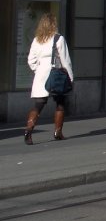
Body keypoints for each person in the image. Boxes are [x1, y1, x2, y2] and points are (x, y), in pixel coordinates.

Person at [24, 12, 73, 144]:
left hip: (40, 75)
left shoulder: (36, 40)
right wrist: (70, 77)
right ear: (54, 24)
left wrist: (37, 70)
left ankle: (29, 129)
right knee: (60, 104)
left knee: (38, 105)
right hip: (56, 74)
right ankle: (58, 132)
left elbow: (31, 60)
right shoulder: (59, 39)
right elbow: (65, 60)